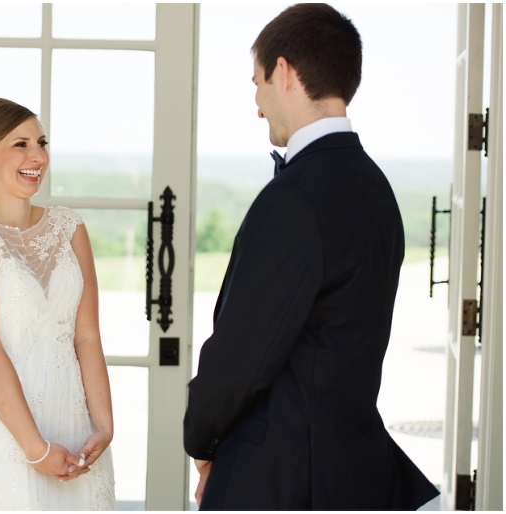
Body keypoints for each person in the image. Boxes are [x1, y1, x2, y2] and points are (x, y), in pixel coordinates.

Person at [183, 4, 439, 510]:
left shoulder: (295, 198)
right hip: (351, 469)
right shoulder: (376, 188)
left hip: (283, 477)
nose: (257, 104)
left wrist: (202, 440)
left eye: (256, 82)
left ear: (284, 72)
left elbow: (241, 354)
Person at [0, 98, 115, 510]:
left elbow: (86, 336)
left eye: (41, 142)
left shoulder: (69, 226)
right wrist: (35, 449)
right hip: (9, 433)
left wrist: (104, 426)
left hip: (77, 426)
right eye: (20, 144)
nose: (38, 156)